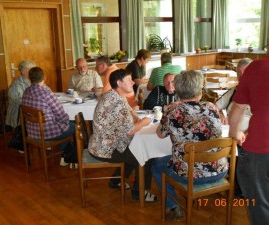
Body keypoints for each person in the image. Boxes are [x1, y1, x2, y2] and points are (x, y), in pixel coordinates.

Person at [151, 70, 227, 222]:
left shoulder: (173, 111)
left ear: (178, 90)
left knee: (156, 166)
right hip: (219, 170)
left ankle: (173, 206)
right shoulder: (211, 107)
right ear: (199, 90)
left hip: (189, 175)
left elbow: (160, 134)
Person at [88, 69, 157, 202]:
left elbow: (126, 109)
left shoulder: (114, 95)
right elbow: (130, 130)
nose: (132, 82)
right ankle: (139, 192)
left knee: (134, 148)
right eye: (129, 80)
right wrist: (144, 121)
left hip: (100, 143)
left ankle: (116, 181)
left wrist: (134, 115)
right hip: (105, 149)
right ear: (119, 83)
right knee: (144, 155)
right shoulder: (117, 102)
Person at [228, 58, 269, 225]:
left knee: (259, 201)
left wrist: (234, 132)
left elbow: (239, 107)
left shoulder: (257, 67)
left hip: (261, 145)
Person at [22, 67, 75, 166]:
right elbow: (61, 114)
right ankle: (68, 157)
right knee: (74, 126)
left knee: (63, 126)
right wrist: (66, 121)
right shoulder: (46, 93)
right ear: (44, 77)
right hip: (47, 133)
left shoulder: (26, 91)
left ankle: (66, 155)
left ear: (29, 78)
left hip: (32, 132)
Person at [6, 60, 36, 153]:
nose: (34, 72)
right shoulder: (16, 84)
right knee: (39, 116)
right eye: (32, 70)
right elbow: (19, 101)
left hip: (31, 108)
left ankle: (45, 139)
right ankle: (21, 142)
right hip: (18, 111)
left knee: (46, 115)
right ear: (24, 71)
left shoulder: (33, 81)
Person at [216, 58, 252, 129]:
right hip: (228, 133)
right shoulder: (234, 91)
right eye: (239, 72)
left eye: (246, 72)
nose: (242, 75)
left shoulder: (261, 93)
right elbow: (215, 107)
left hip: (250, 134)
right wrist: (220, 115)